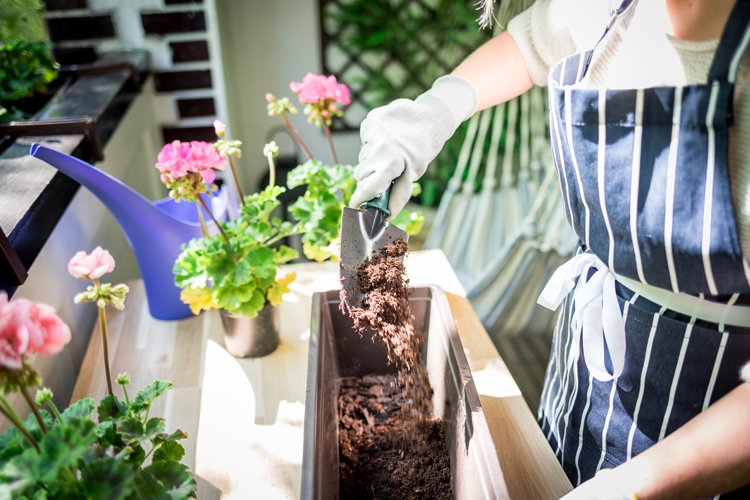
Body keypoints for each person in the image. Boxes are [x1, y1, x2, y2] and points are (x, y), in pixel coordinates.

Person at [348, 0, 750, 498]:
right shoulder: (611, 8)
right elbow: (527, 47)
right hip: (582, 376)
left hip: (710, 428)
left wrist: (633, 486)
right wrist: (437, 108)